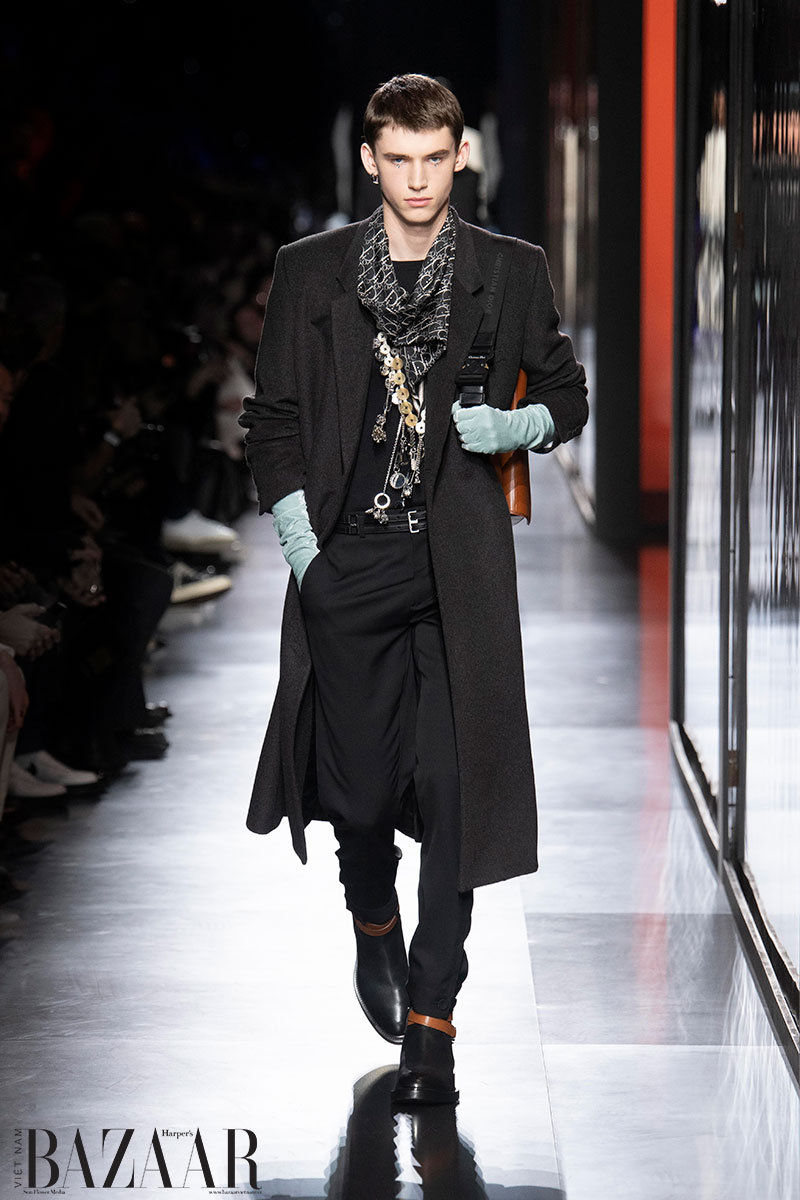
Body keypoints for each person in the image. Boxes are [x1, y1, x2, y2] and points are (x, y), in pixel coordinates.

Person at [238, 74, 588, 1107]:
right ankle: (371, 914)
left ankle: (433, 1026)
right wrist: (306, 556)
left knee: (452, 791)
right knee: (357, 796)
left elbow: (566, 393)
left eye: (435, 159)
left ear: (461, 154)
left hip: (457, 574)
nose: (419, 179)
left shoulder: (507, 271)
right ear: (370, 160)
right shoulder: (309, 272)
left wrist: (512, 427)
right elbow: (272, 420)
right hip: (347, 564)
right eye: (399, 160)